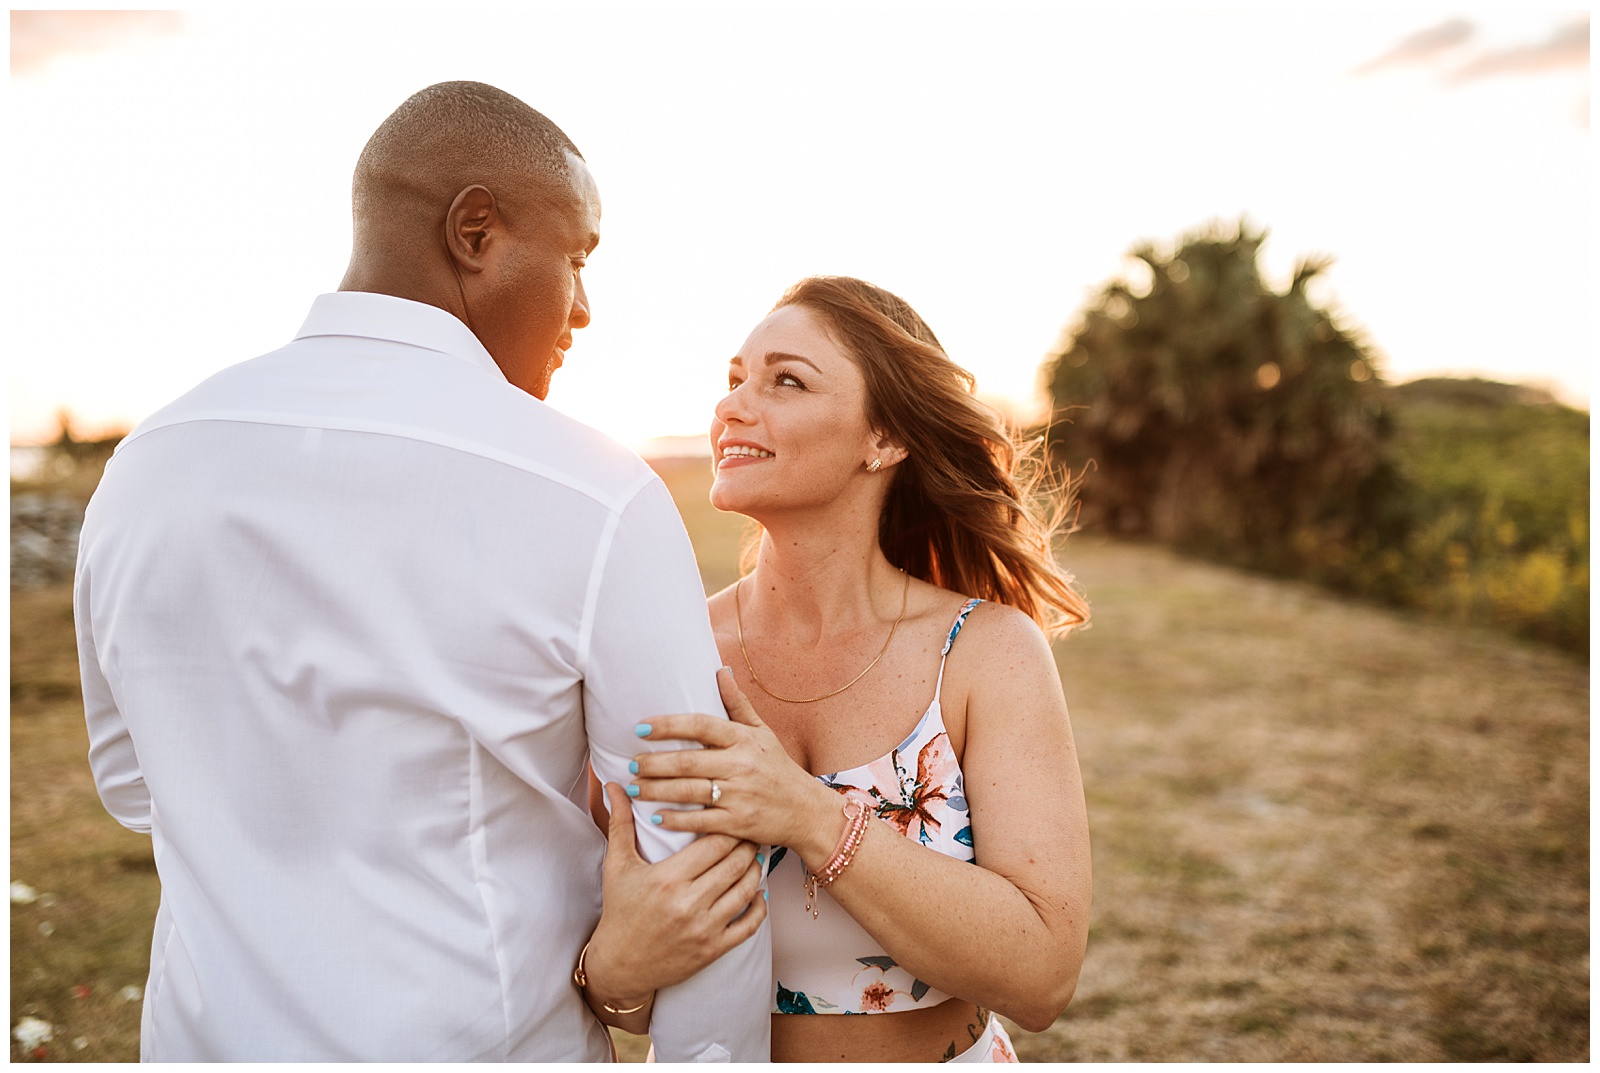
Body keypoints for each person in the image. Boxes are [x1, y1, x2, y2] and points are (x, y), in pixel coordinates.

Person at [73, 81, 769, 1062]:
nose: (583, 307)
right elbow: (695, 855)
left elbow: (135, 782)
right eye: (576, 258)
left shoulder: (145, 463)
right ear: (474, 229)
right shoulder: (594, 492)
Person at [600, 275, 1094, 1062]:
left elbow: (1043, 975)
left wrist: (810, 813)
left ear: (884, 438)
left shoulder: (985, 654)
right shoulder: (672, 651)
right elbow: (614, 982)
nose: (732, 406)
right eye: (735, 380)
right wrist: (614, 967)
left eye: (785, 380)